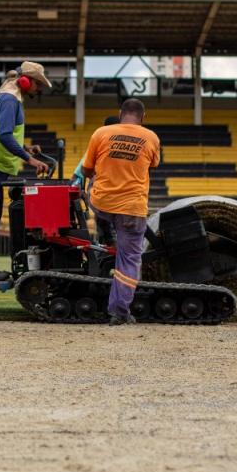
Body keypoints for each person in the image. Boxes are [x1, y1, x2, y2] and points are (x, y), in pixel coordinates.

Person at [79, 98, 161, 325]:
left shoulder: (101, 133)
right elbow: (153, 164)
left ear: (120, 113)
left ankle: (106, 235)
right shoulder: (151, 137)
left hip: (102, 204)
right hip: (132, 210)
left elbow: (86, 170)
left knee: (95, 186)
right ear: (143, 118)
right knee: (129, 260)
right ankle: (119, 311)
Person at [0, 62, 51, 281]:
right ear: (26, 81)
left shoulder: (7, 94)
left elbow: (5, 134)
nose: (39, 89)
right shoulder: (10, 100)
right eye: (38, 84)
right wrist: (30, 159)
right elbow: (4, 136)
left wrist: (25, 147)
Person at [71, 115, 121, 245]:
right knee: (106, 232)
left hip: (115, 199)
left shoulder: (122, 147)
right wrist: (80, 190)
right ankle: (108, 248)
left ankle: (108, 247)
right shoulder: (98, 148)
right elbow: (77, 175)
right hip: (103, 198)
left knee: (108, 232)